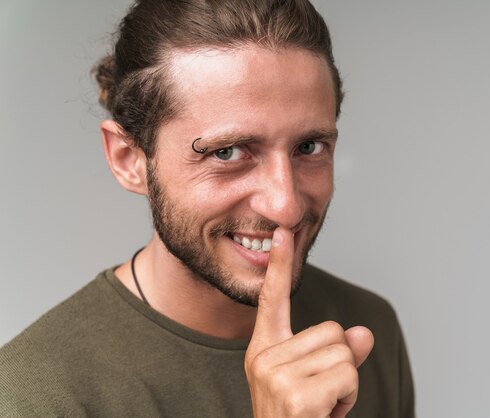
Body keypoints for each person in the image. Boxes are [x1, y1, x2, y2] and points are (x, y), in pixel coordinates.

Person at [0, 0, 414, 416]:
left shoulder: (364, 328)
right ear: (130, 160)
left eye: (308, 147)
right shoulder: (32, 397)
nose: (284, 206)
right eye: (228, 152)